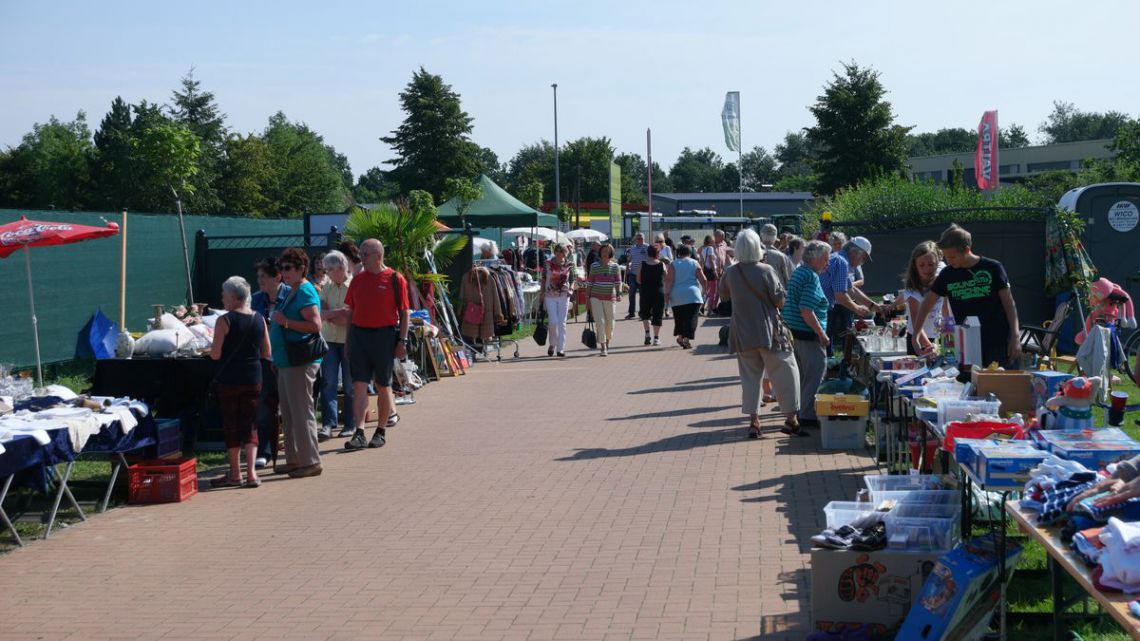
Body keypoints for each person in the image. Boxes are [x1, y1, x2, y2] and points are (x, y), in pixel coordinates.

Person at [719, 229, 802, 438]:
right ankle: (791, 418)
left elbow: (723, 296)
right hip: (769, 331)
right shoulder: (766, 270)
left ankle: (754, 421)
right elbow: (779, 301)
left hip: (742, 331)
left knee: (749, 378)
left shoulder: (730, 272)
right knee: (786, 370)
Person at [912, 224, 1022, 368]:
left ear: (966, 250)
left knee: (1000, 386)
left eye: (952, 256)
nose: (948, 261)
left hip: (998, 342)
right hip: (967, 346)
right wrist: (916, 334)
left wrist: (1015, 336)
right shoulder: (948, 274)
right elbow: (927, 303)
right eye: (946, 257)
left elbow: (1009, 304)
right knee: (970, 387)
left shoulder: (993, 268)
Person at [340, 239, 411, 450]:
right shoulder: (357, 280)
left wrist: (402, 341)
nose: (362, 258)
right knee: (359, 385)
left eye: (366, 254)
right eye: (361, 254)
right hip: (360, 336)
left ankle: (380, 431)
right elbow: (350, 311)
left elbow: (404, 312)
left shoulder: (395, 279)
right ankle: (359, 432)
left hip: (384, 336)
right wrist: (348, 341)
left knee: (383, 384)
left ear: (378, 256)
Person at [209, 276, 272, 488]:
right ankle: (252, 473)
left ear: (234, 297)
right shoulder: (259, 319)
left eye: (224, 294)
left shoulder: (224, 321)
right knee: (251, 424)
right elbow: (267, 351)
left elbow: (215, 355)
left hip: (229, 380)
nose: (222, 298)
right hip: (253, 377)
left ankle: (235, 473)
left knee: (231, 424)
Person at [268, 247, 324, 479]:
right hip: (286, 362)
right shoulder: (293, 291)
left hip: (300, 361)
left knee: (302, 411)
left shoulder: (305, 291)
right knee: (290, 413)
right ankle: (293, 459)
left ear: (302, 268)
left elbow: (315, 325)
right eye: (282, 268)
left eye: (289, 268)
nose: (284, 272)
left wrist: (286, 322)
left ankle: (310, 461)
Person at [783, 240, 832, 430]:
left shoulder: (800, 271)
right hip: (805, 333)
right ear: (816, 259)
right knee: (816, 372)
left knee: (804, 375)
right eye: (826, 259)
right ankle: (808, 415)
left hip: (795, 331)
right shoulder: (811, 276)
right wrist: (821, 333)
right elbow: (806, 309)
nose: (827, 263)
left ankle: (803, 412)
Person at [250, 257, 290, 469]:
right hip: (264, 360)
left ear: (277, 277)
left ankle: (294, 451)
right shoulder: (256, 300)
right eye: (258, 277)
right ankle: (265, 452)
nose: (260, 281)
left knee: (291, 406)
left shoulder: (292, 296)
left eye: (263, 277)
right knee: (265, 407)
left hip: (289, 360)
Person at [317, 250, 355, 441]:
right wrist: (339, 314)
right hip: (329, 341)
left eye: (329, 269)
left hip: (350, 342)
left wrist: (334, 315)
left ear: (341, 267)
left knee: (349, 386)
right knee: (328, 383)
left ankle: (350, 425)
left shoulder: (355, 285)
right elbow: (321, 314)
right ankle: (328, 425)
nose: (326, 273)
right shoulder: (326, 286)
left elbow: (352, 316)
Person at [821, 237, 877, 353]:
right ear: (855, 252)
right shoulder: (842, 262)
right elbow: (840, 296)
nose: (863, 262)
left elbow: (851, 290)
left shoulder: (839, 259)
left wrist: (873, 305)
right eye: (863, 258)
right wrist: (857, 308)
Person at [902, 241, 950, 357]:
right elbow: (915, 321)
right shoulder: (912, 289)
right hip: (918, 339)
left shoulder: (941, 278)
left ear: (937, 263)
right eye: (922, 265)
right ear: (915, 266)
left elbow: (945, 309)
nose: (927, 269)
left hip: (936, 336)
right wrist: (929, 346)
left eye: (931, 264)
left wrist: (948, 337)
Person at [666, 244, 706, 349]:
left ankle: (680, 337)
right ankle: (686, 339)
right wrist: (705, 290)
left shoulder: (673, 264)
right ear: (689, 253)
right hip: (693, 294)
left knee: (679, 318)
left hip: (677, 294)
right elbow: (703, 279)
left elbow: (669, 280)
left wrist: (667, 294)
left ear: (678, 253)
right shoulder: (695, 263)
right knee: (691, 318)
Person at [542, 243, 576, 358]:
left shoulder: (569, 264)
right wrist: (542, 293)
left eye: (563, 252)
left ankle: (560, 349)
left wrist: (571, 289)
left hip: (564, 295)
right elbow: (543, 279)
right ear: (555, 252)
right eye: (558, 252)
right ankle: (552, 344)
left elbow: (572, 279)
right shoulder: (547, 263)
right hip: (550, 295)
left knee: (562, 323)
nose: (560, 254)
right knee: (553, 322)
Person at [587, 244, 622, 356]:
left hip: (610, 297)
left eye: (607, 252)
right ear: (600, 253)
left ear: (611, 253)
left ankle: (607, 342)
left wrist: (619, 293)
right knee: (600, 321)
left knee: (610, 322)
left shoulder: (615, 266)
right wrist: (588, 299)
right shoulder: (594, 266)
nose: (605, 254)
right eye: (603, 251)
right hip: (595, 297)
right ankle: (603, 346)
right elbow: (589, 283)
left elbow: (618, 282)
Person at [637, 244, 666, 346]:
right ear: (658, 253)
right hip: (658, 292)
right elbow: (666, 278)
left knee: (645, 313)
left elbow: (638, 279)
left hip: (645, 291)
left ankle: (647, 334)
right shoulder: (662, 264)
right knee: (657, 314)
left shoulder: (642, 264)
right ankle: (656, 338)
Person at [624, 233, 648, 319]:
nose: (639, 240)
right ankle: (631, 312)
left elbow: (650, 258)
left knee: (642, 294)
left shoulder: (647, 247)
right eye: (638, 238)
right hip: (633, 274)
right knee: (631, 294)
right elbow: (629, 259)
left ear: (644, 239)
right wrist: (628, 267)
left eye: (641, 238)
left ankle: (642, 313)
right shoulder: (632, 249)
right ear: (635, 239)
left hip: (643, 274)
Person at [698, 235, 721, 315]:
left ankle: (702, 307)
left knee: (706, 290)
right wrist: (715, 271)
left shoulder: (703, 249)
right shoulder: (710, 248)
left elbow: (701, 261)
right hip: (711, 271)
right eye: (713, 239)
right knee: (713, 291)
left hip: (705, 271)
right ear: (710, 240)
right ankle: (711, 310)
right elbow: (711, 261)